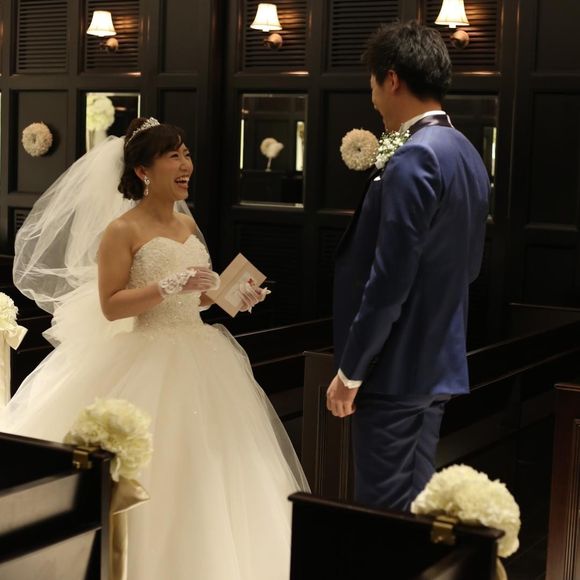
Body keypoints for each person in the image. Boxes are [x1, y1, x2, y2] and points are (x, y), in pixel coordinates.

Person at [2, 117, 309, 579]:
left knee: (216, 471)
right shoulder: (122, 230)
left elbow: (197, 296)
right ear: (143, 171)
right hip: (147, 352)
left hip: (201, 352)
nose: (186, 165)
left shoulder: (187, 222)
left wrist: (231, 296)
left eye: (186, 154)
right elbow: (111, 306)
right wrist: (166, 286)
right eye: (173, 156)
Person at [326, 21, 490, 511]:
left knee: (384, 512)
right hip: (437, 360)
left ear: (392, 79)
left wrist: (352, 370)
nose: (373, 98)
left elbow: (389, 280)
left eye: (374, 84)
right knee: (415, 508)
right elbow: (470, 266)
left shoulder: (416, 155)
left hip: (395, 367)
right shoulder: (465, 151)